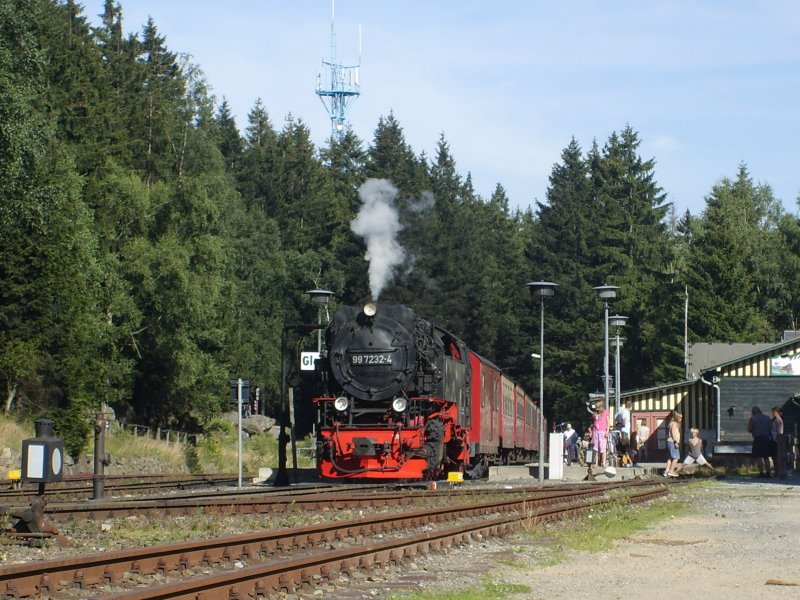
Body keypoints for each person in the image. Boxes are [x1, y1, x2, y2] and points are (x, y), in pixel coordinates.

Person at [748, 406, 772, 477]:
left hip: (758, 438)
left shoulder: (753, 418)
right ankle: (768, 473)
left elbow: (750, 429)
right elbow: (771, 427)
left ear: (753, 412)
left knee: (758, 456)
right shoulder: (767, 418)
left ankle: (761, 473)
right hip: (766, 438)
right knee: (766, 456)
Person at [589, 400, 610, 469]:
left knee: (603, 447)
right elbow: (593, 423)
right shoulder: (595, 414)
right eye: (596, 407)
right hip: (595, 431)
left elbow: (608, 423)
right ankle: (596, 462)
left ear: (601, 407)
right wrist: (591, 432)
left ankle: (603, 462)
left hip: (602, 431)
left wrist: (607, 431)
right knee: (596, 448)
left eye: (597, 407)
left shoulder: (605, 412)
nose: (596, 409)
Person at [770, 406, 788, 479]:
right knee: (774, 456)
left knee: (776, 457)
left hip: (776, 440)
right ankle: (776, 470)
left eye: (773, 412)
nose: (772, 413)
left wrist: (777, 439)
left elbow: (780, 431)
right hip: (773, 439)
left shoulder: (779, 420)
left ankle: (778, 471)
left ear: (777, 412)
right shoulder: (774, 420)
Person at [664, 411, 682, 476]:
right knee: (676, 457)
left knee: (670, 457)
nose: (681, 419)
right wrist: (676, 442)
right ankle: (671, 471)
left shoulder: (671, 423)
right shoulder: (674, 424)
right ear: (676, 418)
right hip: (673, 441)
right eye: (680, 417)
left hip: (669, 441)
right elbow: (673, 433)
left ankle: (667, 470)